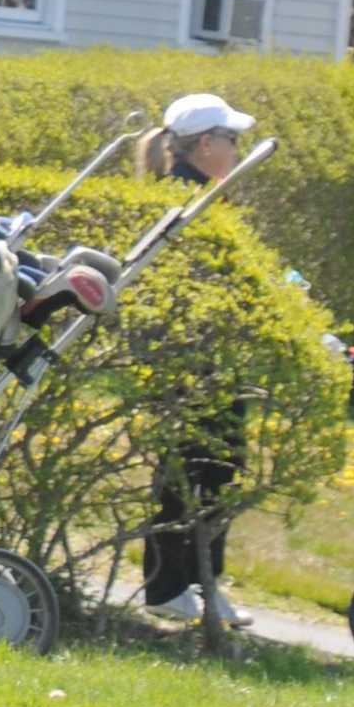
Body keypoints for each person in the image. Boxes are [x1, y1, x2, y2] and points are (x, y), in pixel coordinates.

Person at [132, 91, 257, 627]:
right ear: (205, 144)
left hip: (213, 359)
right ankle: (168, 587)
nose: (236, 150)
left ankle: (204, 584)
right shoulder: (187, 200)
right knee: (190, 472)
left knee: (218, 470)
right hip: (192, 362)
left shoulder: (209, 196)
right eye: (232, 140)